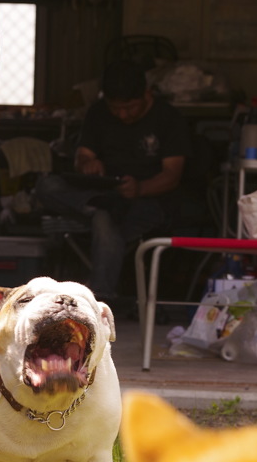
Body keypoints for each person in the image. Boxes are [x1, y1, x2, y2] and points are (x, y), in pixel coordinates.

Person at [35, 59, 190, 304]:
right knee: (47, 185)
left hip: (147, 199)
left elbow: (172, 175)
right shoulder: (98, 112)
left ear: (146, 95)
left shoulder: (167, 118)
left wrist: (139, 188)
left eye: (130, 108)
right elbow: (83, 155)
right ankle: (96, 202)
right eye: (115, 108)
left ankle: (101, 298)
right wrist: (88, 164)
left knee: (104, 218)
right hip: (102, 191)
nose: (122, 114)